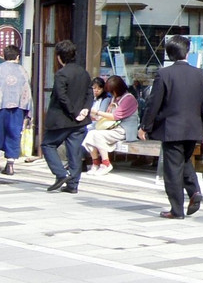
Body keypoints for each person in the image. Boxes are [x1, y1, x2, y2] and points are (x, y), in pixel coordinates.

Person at [139, 36, 203, 219]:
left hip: (171, 129)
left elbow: (153, 103)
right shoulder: (200, 74)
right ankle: (194, 191)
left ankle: (177, 210)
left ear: (170, 53)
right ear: (187, 52)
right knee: (183, 161)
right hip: (193, 129)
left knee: (172, 170)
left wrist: (145, 127)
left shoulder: (164, 74)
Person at [41, 39, 93, 193]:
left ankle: (61, 174)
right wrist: (85, 109)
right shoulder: (83, 72)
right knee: (74, 151)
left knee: (47, 144)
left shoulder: (61, 74)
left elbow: (61, 96)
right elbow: (90, 93)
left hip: (62, 119)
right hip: (79, 121)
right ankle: (73, 185)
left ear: (59, 57)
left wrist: (74, 112)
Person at [83, 75, 139, 175]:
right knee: (91, 134)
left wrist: (97, 112)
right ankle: (95, 163)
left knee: (97, 135)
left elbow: (115, 116)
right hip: (111, 128)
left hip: (124, 129)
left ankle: (106, 164)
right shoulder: (113, 98)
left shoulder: (129, 99)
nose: (110, 93)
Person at [0, 44, 33, 176]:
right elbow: (27, 92)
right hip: (18, 108)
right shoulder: (22, 71)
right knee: (14, 134)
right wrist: (28, 112)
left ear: (4, 56)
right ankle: (10, 164)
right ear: (18, 57)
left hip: (1, 106)